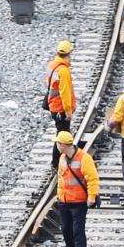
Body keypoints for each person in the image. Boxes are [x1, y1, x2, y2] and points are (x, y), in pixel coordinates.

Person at [54, 130, 98, 247]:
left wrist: (91, 197)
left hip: (79, 202)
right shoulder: (62, 158)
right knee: (66, 228)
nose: (56, 145)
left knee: (78, 230)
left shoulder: (84, 158)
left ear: (62, 145)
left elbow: (92, 179)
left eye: (57, 143)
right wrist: (59, 195)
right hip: (64, 201)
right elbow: (61, 179)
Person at [45, 40, 75, 170]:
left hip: (53, 105)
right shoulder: (63, 70)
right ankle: (57, 162)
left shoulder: (52, 65)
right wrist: (68, 111)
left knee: (61, 132)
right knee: (63, 134)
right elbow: (65, 92)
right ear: (69, 53)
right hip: (60, 107)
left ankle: (57, 161)